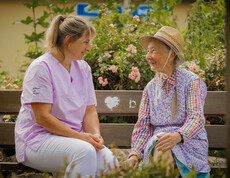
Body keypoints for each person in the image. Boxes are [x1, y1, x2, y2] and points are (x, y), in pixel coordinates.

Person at [15, 15, 118, 178]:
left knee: (109, 160)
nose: (89, 47)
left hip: (74, 140)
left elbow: (89, 110)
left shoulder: (83, 68)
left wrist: (95, 136)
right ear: (68, 41)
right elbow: (42, 117)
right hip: (37, 141)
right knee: (84, 152)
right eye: (86, 41)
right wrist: (81, 137)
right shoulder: (41, 68)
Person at [125, 26, 210, 177]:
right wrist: (135, 153)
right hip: (159, 143)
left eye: (153, 51)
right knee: (161, 146)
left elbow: (196, 118)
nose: (148, 56)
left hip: (188, 142)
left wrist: (178, 136)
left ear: (171, 55)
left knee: (162, 147)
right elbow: (143, 125)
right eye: (148, 51)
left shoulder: (191, 82)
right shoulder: (150, 88)